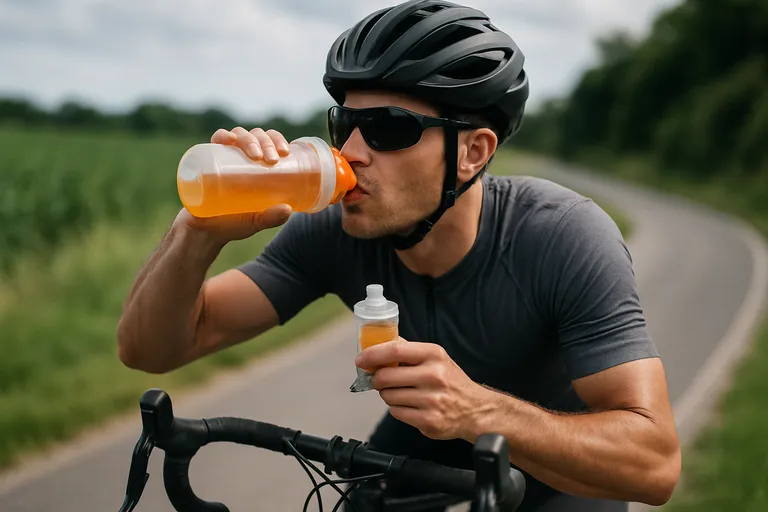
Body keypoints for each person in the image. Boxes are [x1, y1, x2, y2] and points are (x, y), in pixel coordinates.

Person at [116, 1, 681, 510]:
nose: (351, 152)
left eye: (388, 129)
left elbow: (654, 466)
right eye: (344, 123)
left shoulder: (563, 236)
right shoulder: (335, 229)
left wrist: (478, 411)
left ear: (473, 152)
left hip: (561, 463)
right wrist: (198, 233)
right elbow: (151, 348)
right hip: (427, 438)